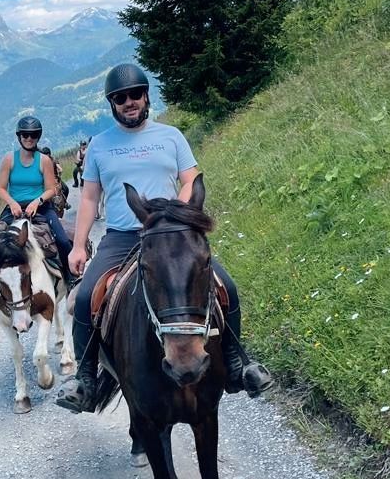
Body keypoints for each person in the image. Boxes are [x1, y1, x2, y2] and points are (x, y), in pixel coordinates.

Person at [55, 64, 271, 412]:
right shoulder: (99, 145)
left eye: (135, 95)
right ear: (112, 104)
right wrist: (79, 245)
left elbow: (190, 179)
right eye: (120, 98)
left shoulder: (171, 137)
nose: (129, 102)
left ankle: (236, 364)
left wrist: (177, 217)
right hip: (123, 237)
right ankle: (86, 379)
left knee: (225, 285)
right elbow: (91, 198)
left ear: (145, 97)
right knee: (84, 300)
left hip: (171, 237)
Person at [0, 117, 74, 305]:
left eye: (33, 135)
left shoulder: (44, 161)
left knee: (63, 241)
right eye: (25, 135)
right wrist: (13, 203)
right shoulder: (9, 160)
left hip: (41, 208)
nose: (29, 138)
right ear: (19, 136)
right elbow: (0, 187)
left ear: (37, 137)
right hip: (14, 208)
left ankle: (70, 277)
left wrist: (37, 201)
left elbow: (51, 189)